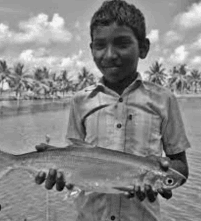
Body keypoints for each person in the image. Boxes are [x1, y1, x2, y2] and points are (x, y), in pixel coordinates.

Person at [35, 0, 190, 220]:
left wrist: (165, 170)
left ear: (143, 48)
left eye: (122, 43)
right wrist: (58, 168)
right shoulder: (80, 100)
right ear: (91, 49)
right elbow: (77, 156)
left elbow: (180, 167)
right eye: (100, 45)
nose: (109, 55)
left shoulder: (164, 99)